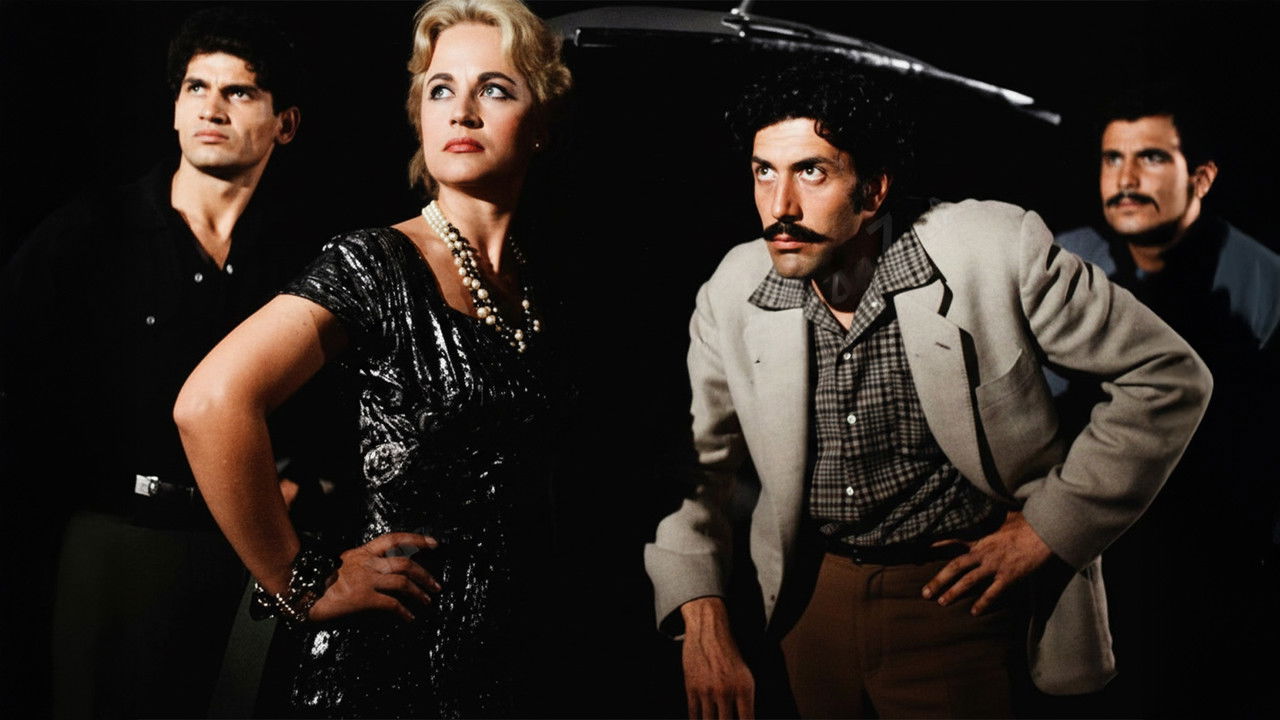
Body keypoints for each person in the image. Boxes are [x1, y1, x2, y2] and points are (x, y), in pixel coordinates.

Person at [644, 58, 1213, 719]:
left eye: (812, 172)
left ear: (874, 189)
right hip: (806, 605)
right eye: (764, 172)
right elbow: (697, 469)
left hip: (954, 606)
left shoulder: (993, 250)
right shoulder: (733, 288)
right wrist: (702, 614)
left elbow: (1166, 374)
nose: (780, 207)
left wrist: (1048, 528)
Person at [173, 0, 571, 716]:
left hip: (515, 655)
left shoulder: (538, 281)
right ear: (420, 117)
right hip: (392, 662)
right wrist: (300, 580)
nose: (462, 111)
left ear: (540, 122)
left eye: (494, 89)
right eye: (441, 90)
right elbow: (209, 404)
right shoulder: (375, 261)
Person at [0, 8, 318, 718]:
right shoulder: (89, 235)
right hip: (117, 537)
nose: (211, 108)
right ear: (174, 109)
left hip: (253, 552)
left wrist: (310, 483)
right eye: (195, 88)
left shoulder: (305, 258)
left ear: (285, 124)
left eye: (239, 92)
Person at [1052, 85, 1280, 717]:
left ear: (1201, 177)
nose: (1125, 180)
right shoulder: (1062, 263)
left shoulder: (1266, 284)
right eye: (1112, 158)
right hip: (1085, 555)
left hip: (1216, 568)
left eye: (1150, 158)